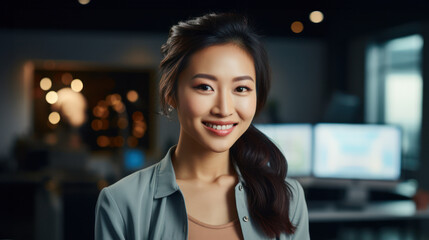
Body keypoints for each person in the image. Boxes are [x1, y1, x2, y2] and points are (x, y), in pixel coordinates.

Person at [94, 12, 310, 240]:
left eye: (241, 89)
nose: (224, 109)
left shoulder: (288, 198)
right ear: (170, 93)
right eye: (205, 87)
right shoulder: (122, 202)